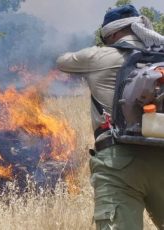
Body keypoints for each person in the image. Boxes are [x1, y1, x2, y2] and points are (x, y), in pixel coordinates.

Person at [56, 4, 164, 230]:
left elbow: (62, 61)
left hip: (118, 161)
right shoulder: (160, 57)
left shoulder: (99, 56)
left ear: (112, 33)